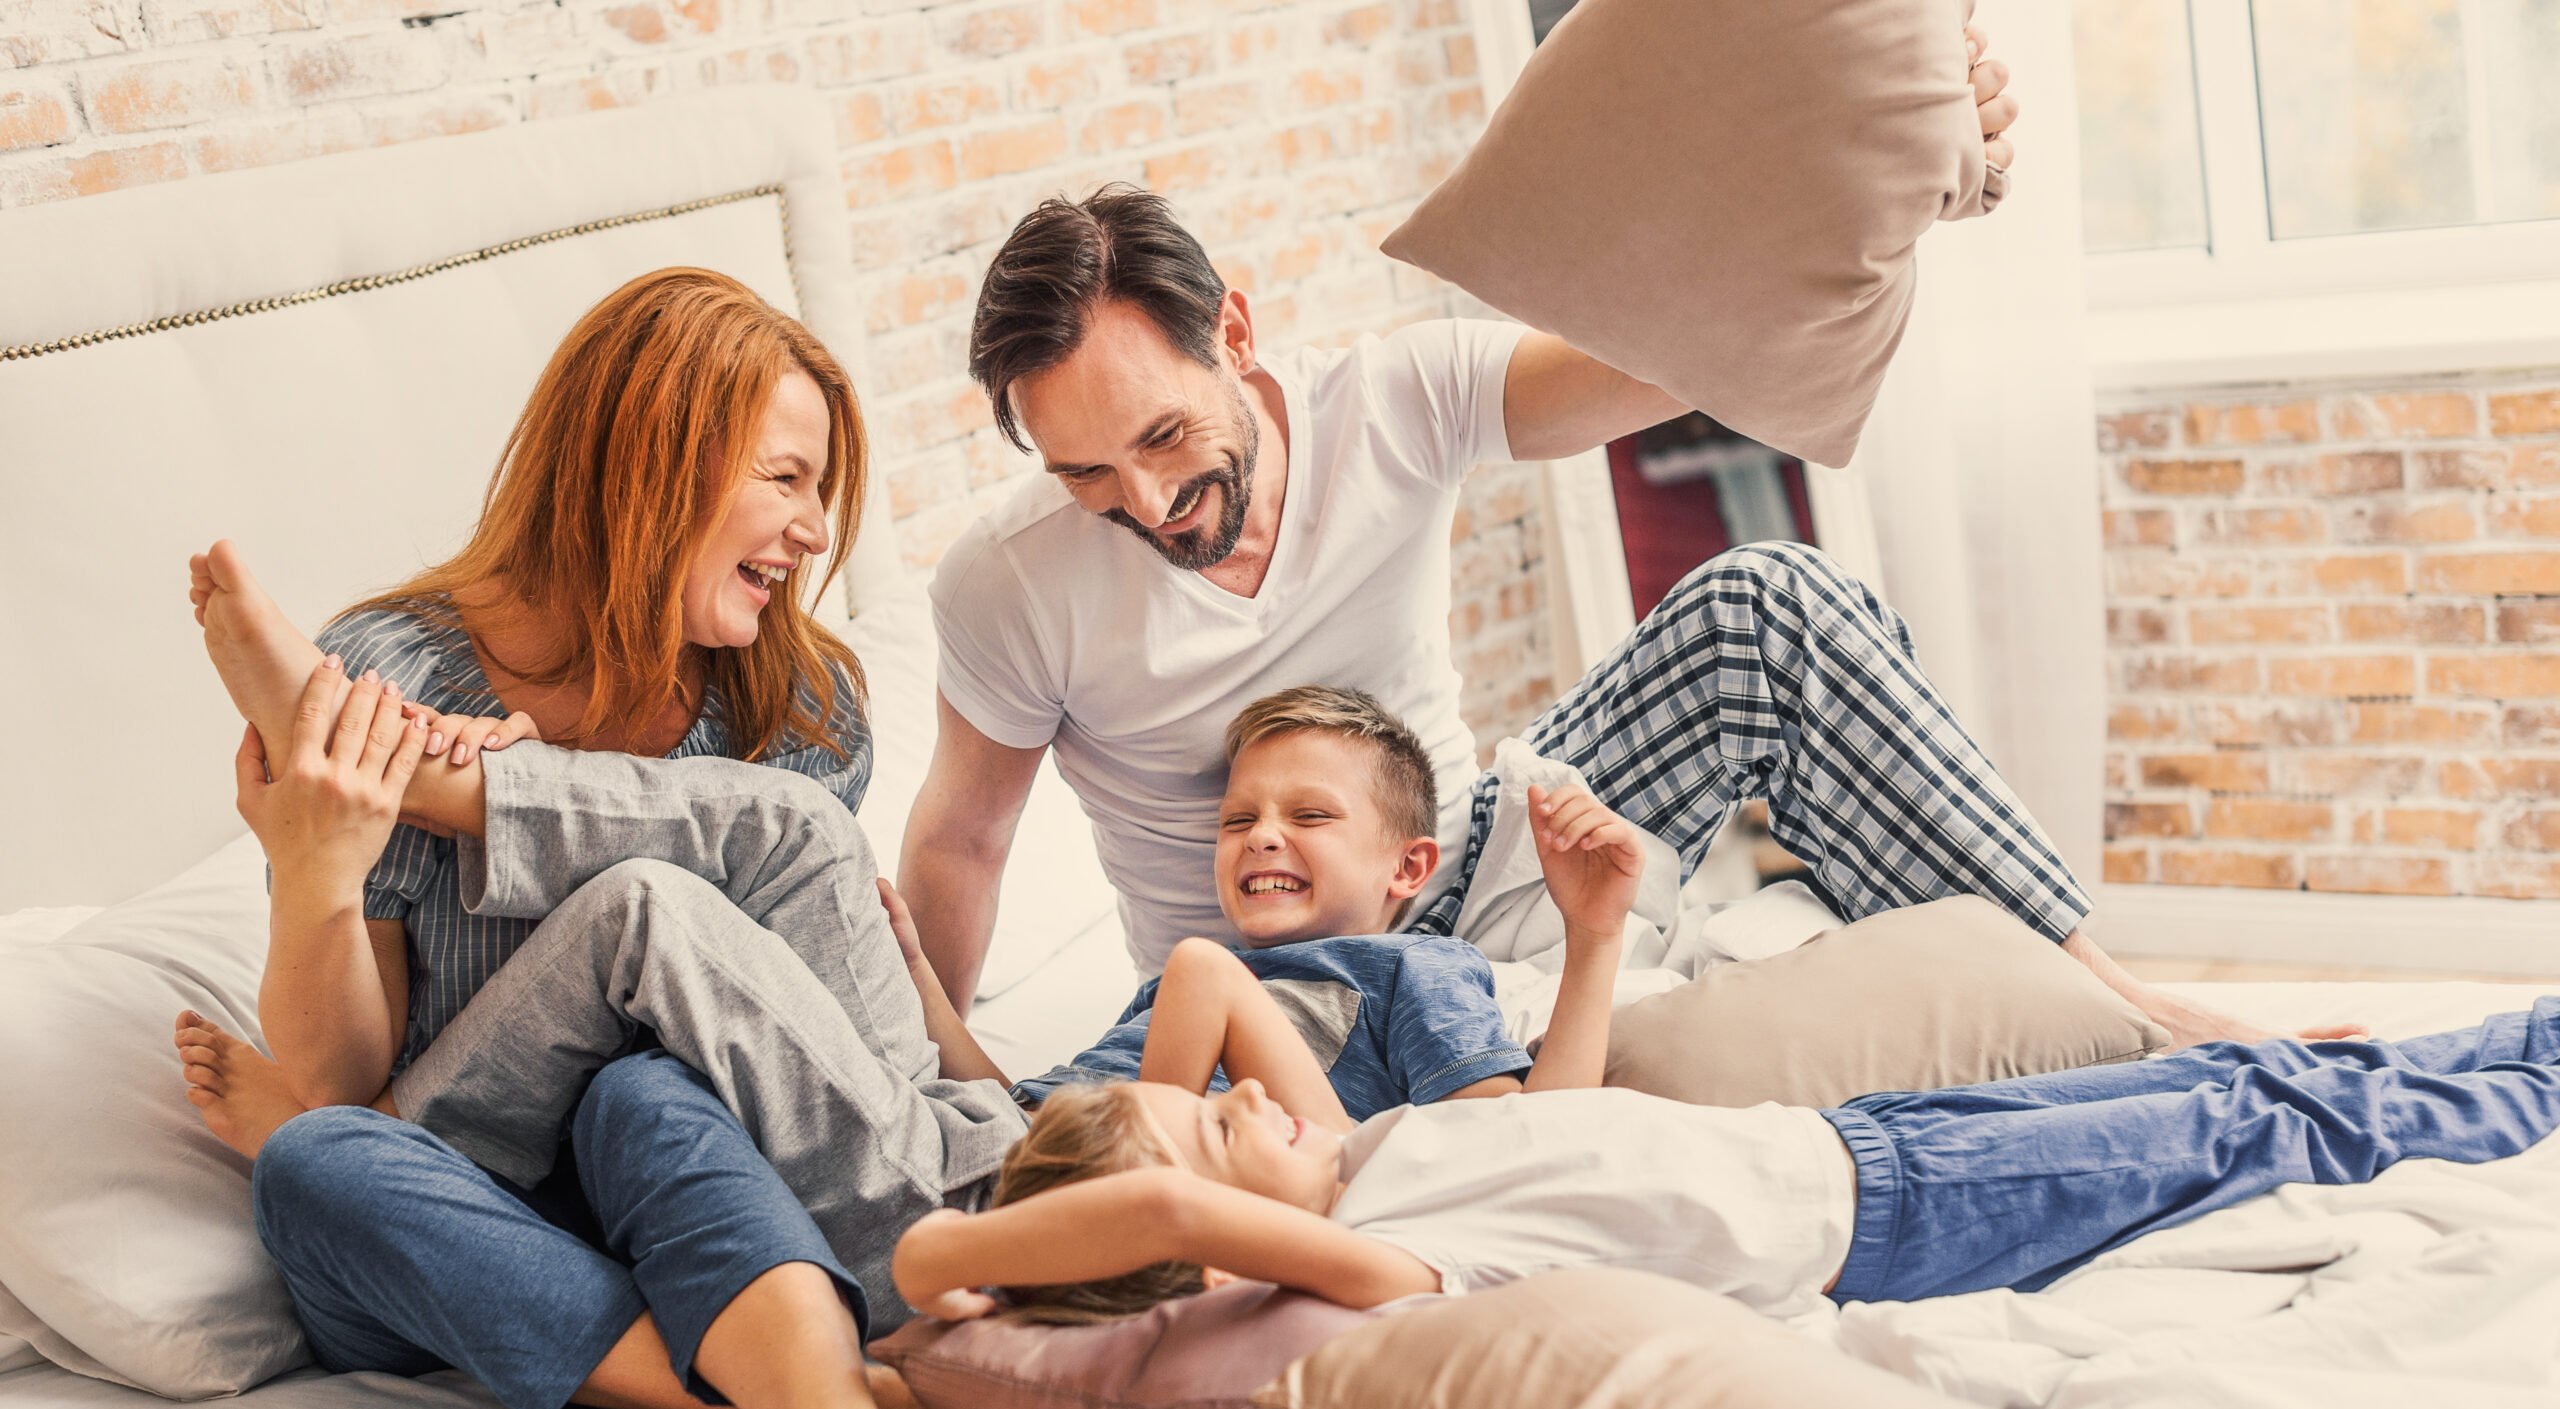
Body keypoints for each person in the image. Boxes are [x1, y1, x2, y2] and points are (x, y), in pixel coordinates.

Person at [893, 57, 2341, 1054]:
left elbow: (1670, 357)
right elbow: (963, 838)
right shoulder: (1009, 583)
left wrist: (1894, 187)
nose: (1144, 502)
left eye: (1162, 440)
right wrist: (932, 1068)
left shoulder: (1390, 404)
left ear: (1241, 338)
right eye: (1084, 473)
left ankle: (2107, 999)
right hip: (1286, 977)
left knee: (1764, 605)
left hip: (1475, 856)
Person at [177, 266, 1011, 1409]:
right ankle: (852, 1395)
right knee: (320, 1164)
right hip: (477, 1205)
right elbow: (335, 1081)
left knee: (641, 1084)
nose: (815, 530)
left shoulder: (794, 699)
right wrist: (320, 867)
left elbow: (804, 1049)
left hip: (707, 1178)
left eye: (822, 493)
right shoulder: (401, 673)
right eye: (788, 480)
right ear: (659, 458)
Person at [891, 980, 2560, 1329]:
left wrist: (1140, 1119)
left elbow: (1202, 978)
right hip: (1900, 1221)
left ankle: (2522, 1030)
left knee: (2248, 1069)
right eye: (1215, 1123)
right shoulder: (1388, 1269)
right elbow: (1178, 1200)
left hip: (1857, 1141)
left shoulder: (1354, 1148)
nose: (1244, 1097)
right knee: (2273, 1126)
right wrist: (944, 1265)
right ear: (1202, 1253)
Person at [893, 684, 1644, 1128]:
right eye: (1238, 820)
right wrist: (919, 979)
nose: (1262, 837)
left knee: (1200, 968)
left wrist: (1594, 937)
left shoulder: (1414, 967)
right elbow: (1025, 1112)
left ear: (1408, 865)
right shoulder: (1169, 995)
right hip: (1029, 1149)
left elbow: (1520, 1132)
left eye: (1310, 817)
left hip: (1155, 1170)